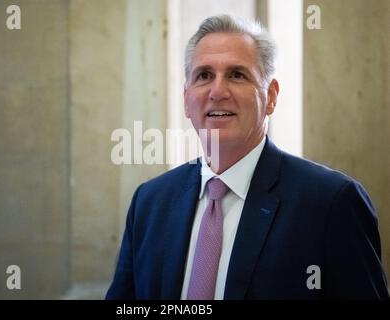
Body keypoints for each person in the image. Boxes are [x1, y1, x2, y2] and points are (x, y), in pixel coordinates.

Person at [106, 14, 389, 299]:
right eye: (204, 75)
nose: (217, 91)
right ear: (186, 98)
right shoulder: (150, 202)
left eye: (237, 75)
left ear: (272, 96)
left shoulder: (332, 203)